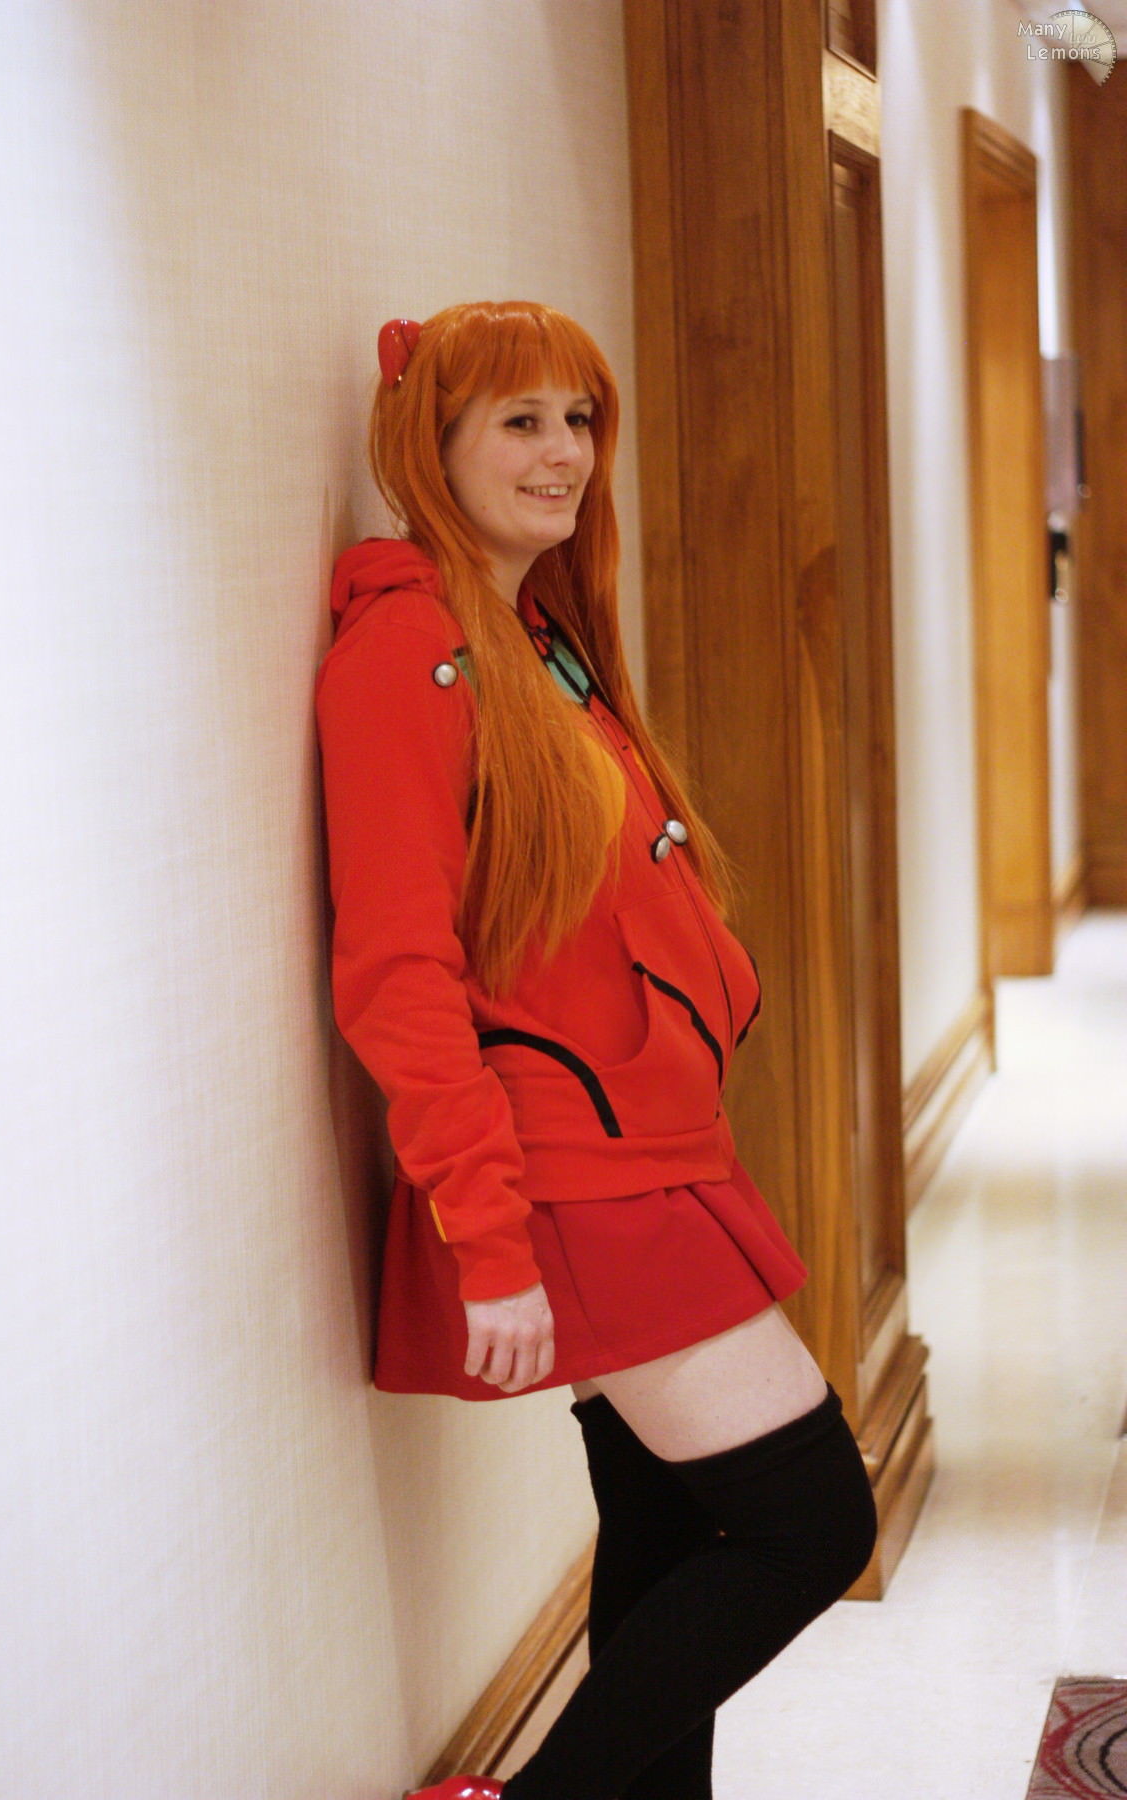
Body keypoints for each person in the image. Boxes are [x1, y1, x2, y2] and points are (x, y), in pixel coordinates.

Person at [315, 300, 877, 1800]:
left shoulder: (533, 637)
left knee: (672, 1531)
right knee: (810, 1522)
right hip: (574, 1178)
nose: (564, 452)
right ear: (429, 443)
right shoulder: (407, 653)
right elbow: (396, 972)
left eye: (579, 419)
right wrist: (486, 1238)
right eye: (520, 421)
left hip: (653, 1152)